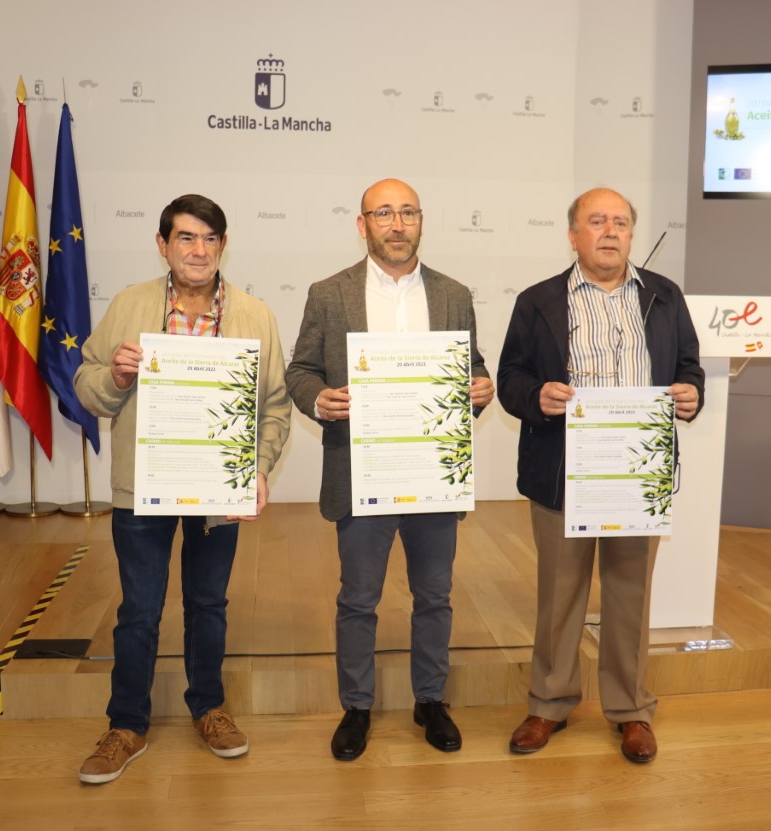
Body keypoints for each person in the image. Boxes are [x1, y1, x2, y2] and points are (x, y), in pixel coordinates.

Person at [73, 194, 291, 784]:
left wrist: (257, 468)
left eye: (210, 238)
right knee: (139, 611)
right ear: (163, 245)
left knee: (208, 604)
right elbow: (87, 384)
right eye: (186, 238)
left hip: (218, 486)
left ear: (224, 245)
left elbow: (275, 406)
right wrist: (116, 376)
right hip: (143, 486)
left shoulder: (255, 315)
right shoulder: (129, 305)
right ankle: (126, 725)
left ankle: (209, 708)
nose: (199, 250)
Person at [286, 178, 494, 761]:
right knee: (358, 599)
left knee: (435, 596)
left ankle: (431, 701)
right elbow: (300, 370)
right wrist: (318, 399)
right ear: (363, 225)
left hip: (433, 472)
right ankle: (357, 706)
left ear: (421, 221)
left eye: (407, 212)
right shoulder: (329, 294)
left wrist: (480, 388)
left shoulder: (453, 294)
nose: (396, 224)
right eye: (383, 213)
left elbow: (473, 366)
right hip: (362, 472)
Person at [496, 187, 703, 763]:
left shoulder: (664, 295)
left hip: (637, 471)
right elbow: (510, 377)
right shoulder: (538, 300)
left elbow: (688, 366)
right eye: (597, 221)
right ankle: (549, 703)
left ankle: (631, 710)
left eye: (621, 222)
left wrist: (692, 393)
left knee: (630, 596)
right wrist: (536, 396)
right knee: (559, 595)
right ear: (573, 235)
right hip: (564, 471)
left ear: (632, 235)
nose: (610, 231)